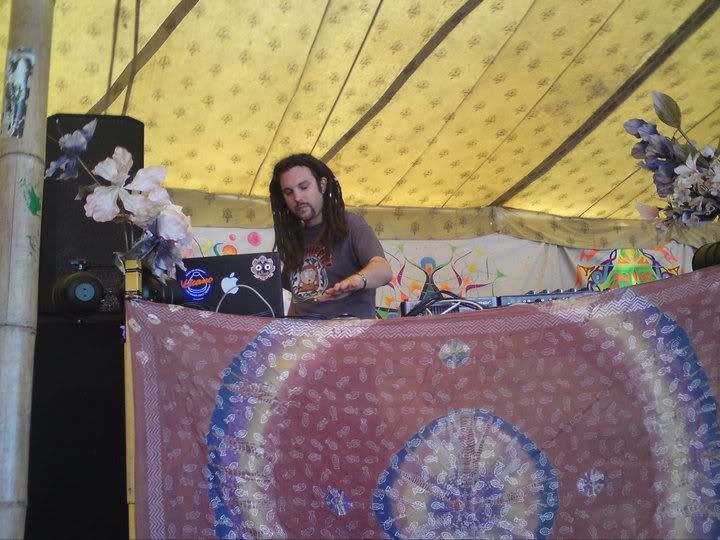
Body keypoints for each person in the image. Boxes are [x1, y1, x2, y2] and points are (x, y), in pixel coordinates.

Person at [269, 153, 393, 319]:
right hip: (303, 332)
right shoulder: (293, 237)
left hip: (350, 331)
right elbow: (297, 300)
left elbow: (383, 269)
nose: (297, 197)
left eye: (304, 187)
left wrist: (358, 280)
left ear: (322, 185)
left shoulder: (352, 225)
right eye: (288, 192)